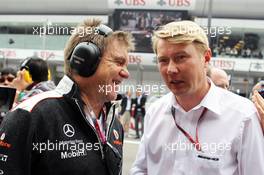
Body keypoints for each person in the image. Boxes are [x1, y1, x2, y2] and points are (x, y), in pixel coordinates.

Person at [0, 19, 134, 175]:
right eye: (118, 62)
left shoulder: (114, 124)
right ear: (84, 60)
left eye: (126, 66)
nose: (126, 73)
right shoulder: (29, 115)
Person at [130, 21, 264, 175]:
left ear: (206, 58)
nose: (171, 69)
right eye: (163, 60)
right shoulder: (154, 112)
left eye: (181, 57)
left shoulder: (243, 116)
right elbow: (141, 169)